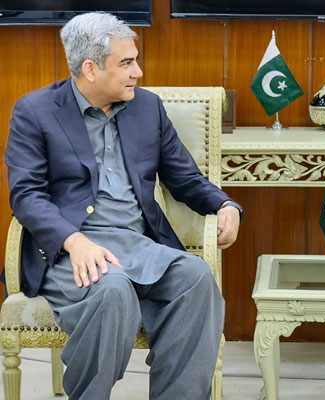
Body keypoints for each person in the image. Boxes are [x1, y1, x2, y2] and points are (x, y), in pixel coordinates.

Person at [4, 12, 242, 400]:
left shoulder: (147, 108)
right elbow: (26, 194)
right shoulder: (35, 111)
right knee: (112, 291)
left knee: (197, 278)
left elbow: (185, 178)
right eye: (127, 63)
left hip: (139, 244)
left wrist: (226, 203)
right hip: (71, 251)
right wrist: (74, 241)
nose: (139, 72)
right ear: (91, 69)